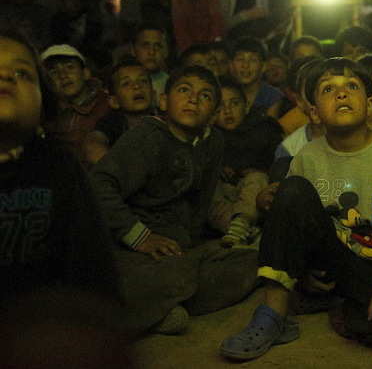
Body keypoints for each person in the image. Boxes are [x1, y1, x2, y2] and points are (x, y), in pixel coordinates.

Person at [220, 57, 372, 360]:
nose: (342, 93)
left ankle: (334, 301)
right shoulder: (307, 156)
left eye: (352, 86)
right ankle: (273, 313)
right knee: (291, 190)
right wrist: (302, 271)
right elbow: (293, 225)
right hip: (328, 261)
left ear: (369, 104)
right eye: (329, 89)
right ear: (315, 113)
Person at [90, 65, 258, 334]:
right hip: (133, 247)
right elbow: (98, 186)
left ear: (214, 114)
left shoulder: (213, 142)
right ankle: (157, 303)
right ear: (164, 101)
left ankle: (161, 306)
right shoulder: (147, 137)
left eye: (205, 96)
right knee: (139, 276)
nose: (193, 99)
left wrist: (192, 244)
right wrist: (140, 237)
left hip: (179, 248)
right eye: (184, 90)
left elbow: (201, 201)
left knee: (250, 263)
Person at [0, 28, 119, 312]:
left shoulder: (58, 167)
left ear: (43, 105)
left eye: (22, 74)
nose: (5, 77)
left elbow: (93, 266)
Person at [213, 77, 283, 247]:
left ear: (246, 106)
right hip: (226, 193)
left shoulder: (264, 129)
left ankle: (242, 225)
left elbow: (277, 165)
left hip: (255, 194)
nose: (228, 111)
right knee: (208, 190)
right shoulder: (210, 136)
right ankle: (243, 231)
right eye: (221, 106)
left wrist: (253, 170)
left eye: (234, 103)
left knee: (256, 178)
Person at [40, 44, 110, 161]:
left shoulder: (108, 104)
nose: (63, 76)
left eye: (70, 67)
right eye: (53, 72)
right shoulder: (45, 115)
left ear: (86, 73)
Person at [83, 57, 155, 165]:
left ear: (154, 94)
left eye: (143, 81)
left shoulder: (165, 118)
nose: (137, 86)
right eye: (126, 83)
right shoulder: (112, 122)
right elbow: (93, 146)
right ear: (114, 101)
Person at [228, 36, 284, 118]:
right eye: (240, 59)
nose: (245, 65)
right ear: (231, 65)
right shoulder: (223, 93)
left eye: (253, 60)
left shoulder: (272, 96)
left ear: (264, 66)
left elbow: (269, 128)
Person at [130, 22, 170, 100]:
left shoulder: (172, 85)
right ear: (133, 50)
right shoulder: (123, 85)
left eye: (158, 46)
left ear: (166, 51)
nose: (151, 52)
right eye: (145, 46)